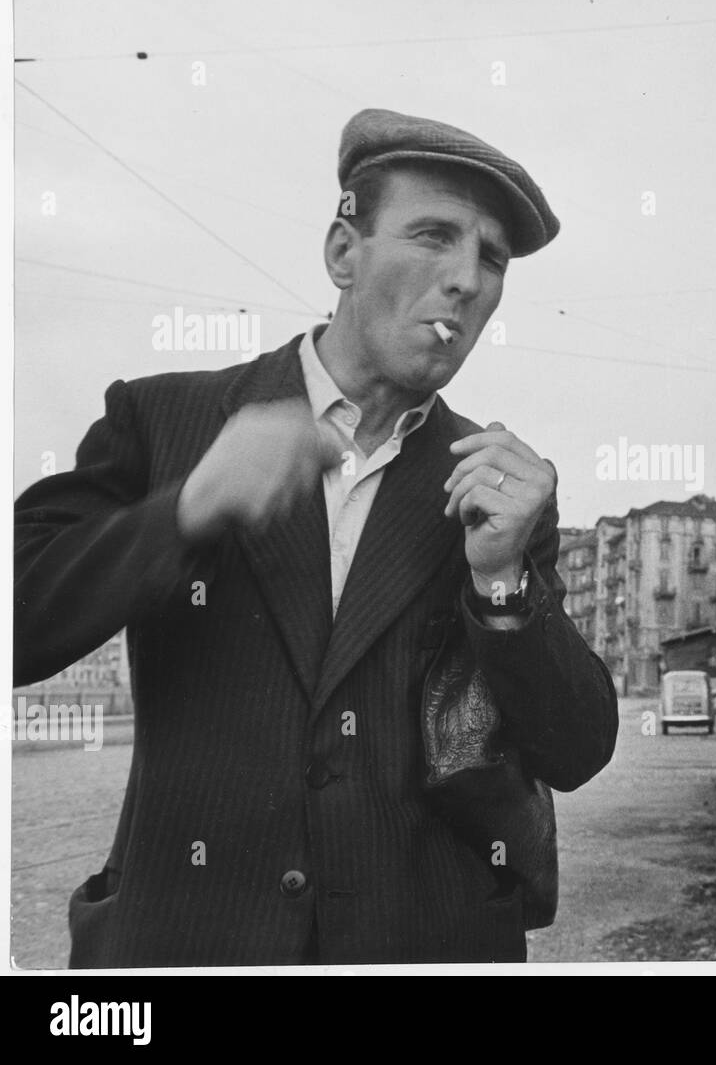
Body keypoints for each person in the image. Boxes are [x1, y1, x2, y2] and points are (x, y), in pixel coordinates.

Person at [14, 108, 620, 966]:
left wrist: (502, 583)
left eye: (491, 258)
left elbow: (577, 747)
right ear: (344, 251)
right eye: (434, 236)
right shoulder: (163, 419)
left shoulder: (501, 490)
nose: (465, 280)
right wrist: (184, 510)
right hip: (184, 947)